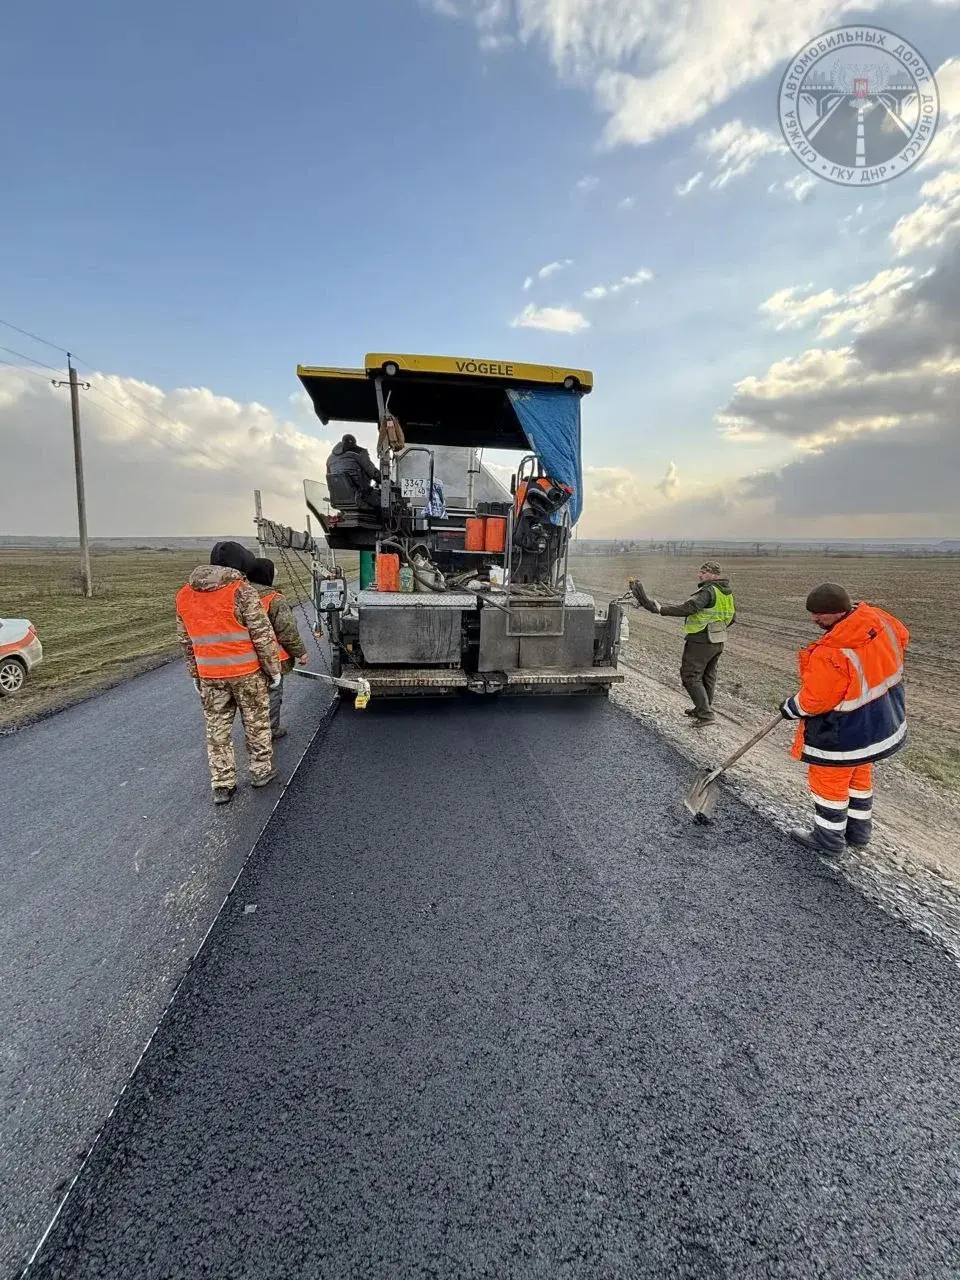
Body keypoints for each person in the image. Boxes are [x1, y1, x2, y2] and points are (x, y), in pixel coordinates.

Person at [779, 583, 909, 854]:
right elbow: (902, 637)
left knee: (829, 783)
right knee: (859, 778)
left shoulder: (833, 650)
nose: (814, 620)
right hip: (879, 722)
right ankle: (858, 835)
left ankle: (828, 841)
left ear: (838, 612)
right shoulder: (878, 619)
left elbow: (815, 701)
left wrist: (791, 707)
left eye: (819, 615)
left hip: (843, 732)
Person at [175, 541, 281, 805]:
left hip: (210, 676)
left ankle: (223, 784)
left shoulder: (184, 595)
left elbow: (186, 641)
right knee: (256, 723)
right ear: (241, 565)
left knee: (217, 730)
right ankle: (260, 771)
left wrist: (195, 675)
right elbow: (262, 635)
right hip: (247, 674)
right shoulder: (242, 592)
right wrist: (274, 670)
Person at [630, 561, 735, 727]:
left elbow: (690, 607)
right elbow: (732, 617)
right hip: (718, 640)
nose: (700, 575)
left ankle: (705, 714)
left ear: (715, 575)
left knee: (690, 675)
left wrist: (662, 610)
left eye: (704, 572)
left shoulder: (708, 591)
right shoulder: (726, 593)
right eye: (700, 571)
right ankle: (703, 708)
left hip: (701, 640)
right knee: (708, 675)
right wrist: (717, 627)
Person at [248, 556, 309, 739]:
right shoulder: (273, 599)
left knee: (251, 698)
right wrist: (301, 653)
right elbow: (286, 630)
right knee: (273, 692)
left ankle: (253, 730)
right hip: (272, 658)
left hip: (245, 659)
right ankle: (270, 729)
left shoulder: (240, 596)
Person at [326, 433, 381, 510]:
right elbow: (373, 473)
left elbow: (330, 481)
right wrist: (385, 481)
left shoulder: (330, 459)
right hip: (361, 497)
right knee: (386, 503)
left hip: (339, 500)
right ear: (354, 443)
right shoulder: (359, 452)